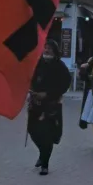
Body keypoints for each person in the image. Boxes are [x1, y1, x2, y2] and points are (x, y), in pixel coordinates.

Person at [27, 40, 71, 174]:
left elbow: (64, 85)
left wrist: (47, 94)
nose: (46, 50)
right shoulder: (37, 64)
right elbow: (29, 78)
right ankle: (42, 152)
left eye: (49, 49)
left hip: (51, 107)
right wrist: (31, 90)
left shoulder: (60, 67)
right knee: (32, 131)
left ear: (55, 51)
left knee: (47, 135)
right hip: (35, 105)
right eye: (45, 48)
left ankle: (45, 164)